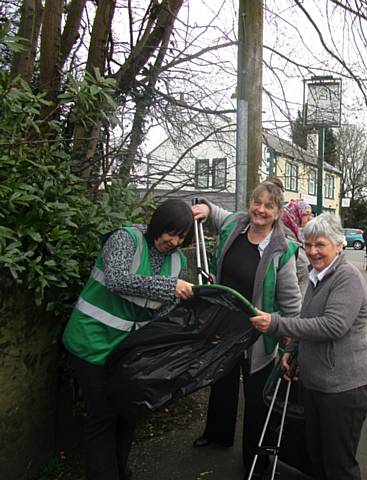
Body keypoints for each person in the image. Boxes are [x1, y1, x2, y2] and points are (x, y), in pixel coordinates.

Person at [62, 199, 195, 480]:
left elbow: (163, 312)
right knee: (103, 416)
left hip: (124, 351)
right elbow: (116, 279)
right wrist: (169, 287)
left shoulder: (177, 261)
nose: (174, 241)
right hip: (90, 342)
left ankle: (121, 472)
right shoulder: (126, 239)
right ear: (157, 225)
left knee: (127, 414)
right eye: (171, 232)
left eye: (182, 237)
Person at [250, 213, 367, 480]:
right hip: (316, 382)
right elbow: (307, 317)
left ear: (339, 244)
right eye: (307, 244)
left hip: (344, 388)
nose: (312, 251)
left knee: (339, 464)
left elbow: (332, 326)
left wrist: (276, 324)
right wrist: (293, 350)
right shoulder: (317, 274)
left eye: (320, 244)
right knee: (317, 456)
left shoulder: (347, 278)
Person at [190, 181, 303, 478]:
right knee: (221, 381)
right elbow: (217, 214)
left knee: (256, 399)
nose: (260, 210)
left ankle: (255, 459)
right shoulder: (237, 224)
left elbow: (291, 302)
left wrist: (292, 344)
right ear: (250, 203)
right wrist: (205, 207)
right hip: (223, 326)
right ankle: (217, 434)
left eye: (269, 206)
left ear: (278, 212)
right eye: (257, 202)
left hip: (257, 334)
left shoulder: (282, 249)